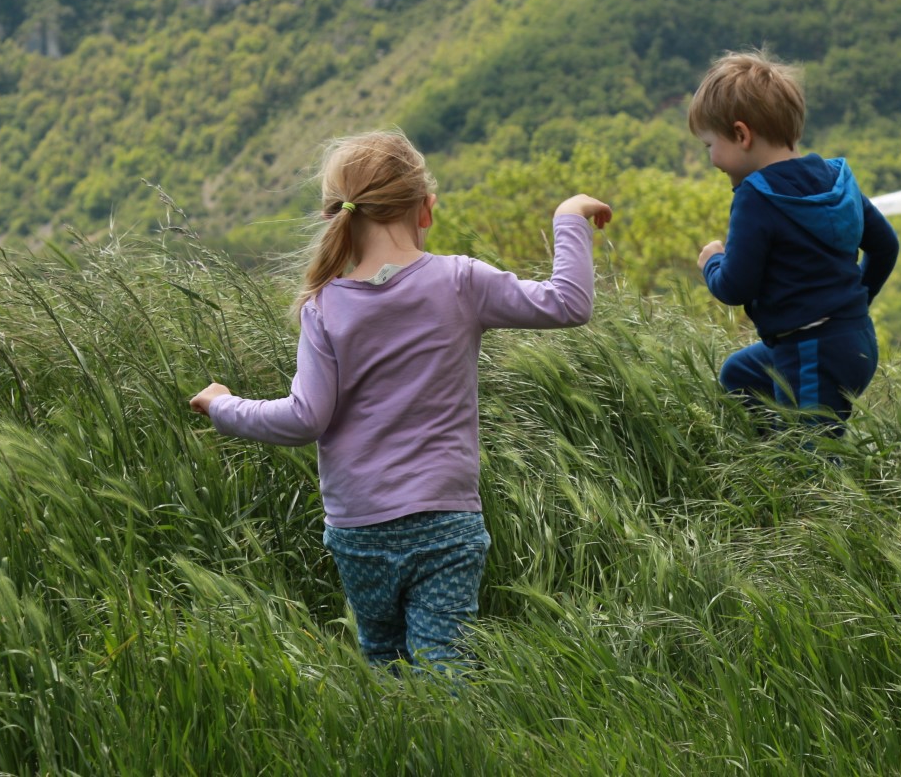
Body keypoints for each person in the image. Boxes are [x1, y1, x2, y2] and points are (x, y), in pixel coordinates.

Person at [188, 129, 610, 674]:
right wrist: (569, 215)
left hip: (358, 528)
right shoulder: (460, 282)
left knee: (384, 663)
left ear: (335, 216)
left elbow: (304, 418)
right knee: (446, 667)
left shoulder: (324, 307)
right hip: (446, 521)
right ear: (425, 210)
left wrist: (224, 405)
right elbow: (569, 303)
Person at [690, 50, 899, 438]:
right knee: (740, 375)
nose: (712, 159)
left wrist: (711, 262)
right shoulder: (836, 179)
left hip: (811, 353)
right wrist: (852, 310)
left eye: (709, 145)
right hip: (854, 340)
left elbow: (736, 287)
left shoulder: (756, 197)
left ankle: (793, 476)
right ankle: (772, 451)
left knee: (810, 470)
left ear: (741, 134)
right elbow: (886, 247)